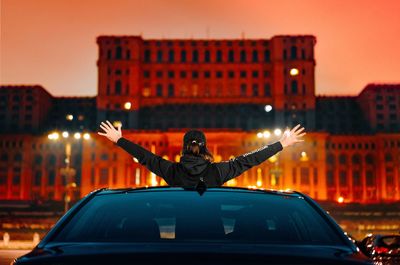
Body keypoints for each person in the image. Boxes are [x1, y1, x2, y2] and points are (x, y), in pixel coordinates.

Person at [98, 121, 305, 187]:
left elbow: (145, 157)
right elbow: (250, 160)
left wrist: (119, 140)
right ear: (205, 148)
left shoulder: (172, 172)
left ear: (184, 147)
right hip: (213, 238)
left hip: (182, 238)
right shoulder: (219, 171)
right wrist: (281, 144)